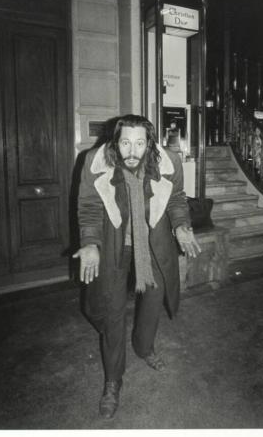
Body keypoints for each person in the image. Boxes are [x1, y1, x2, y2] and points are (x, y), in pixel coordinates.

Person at [73, 114, 201, 419]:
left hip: (153, 241)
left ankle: (144, 347)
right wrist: (91, 242)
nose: (132, 150)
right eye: (126, 142)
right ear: (115, 142)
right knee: (112, 309)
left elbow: (177, 199)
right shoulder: (95, 162)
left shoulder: (168, 162)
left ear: (150, 144)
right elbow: (89, 207)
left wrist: (182, 226)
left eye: (140, 143)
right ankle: (113, 380)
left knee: (153, 301)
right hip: (115, 242)